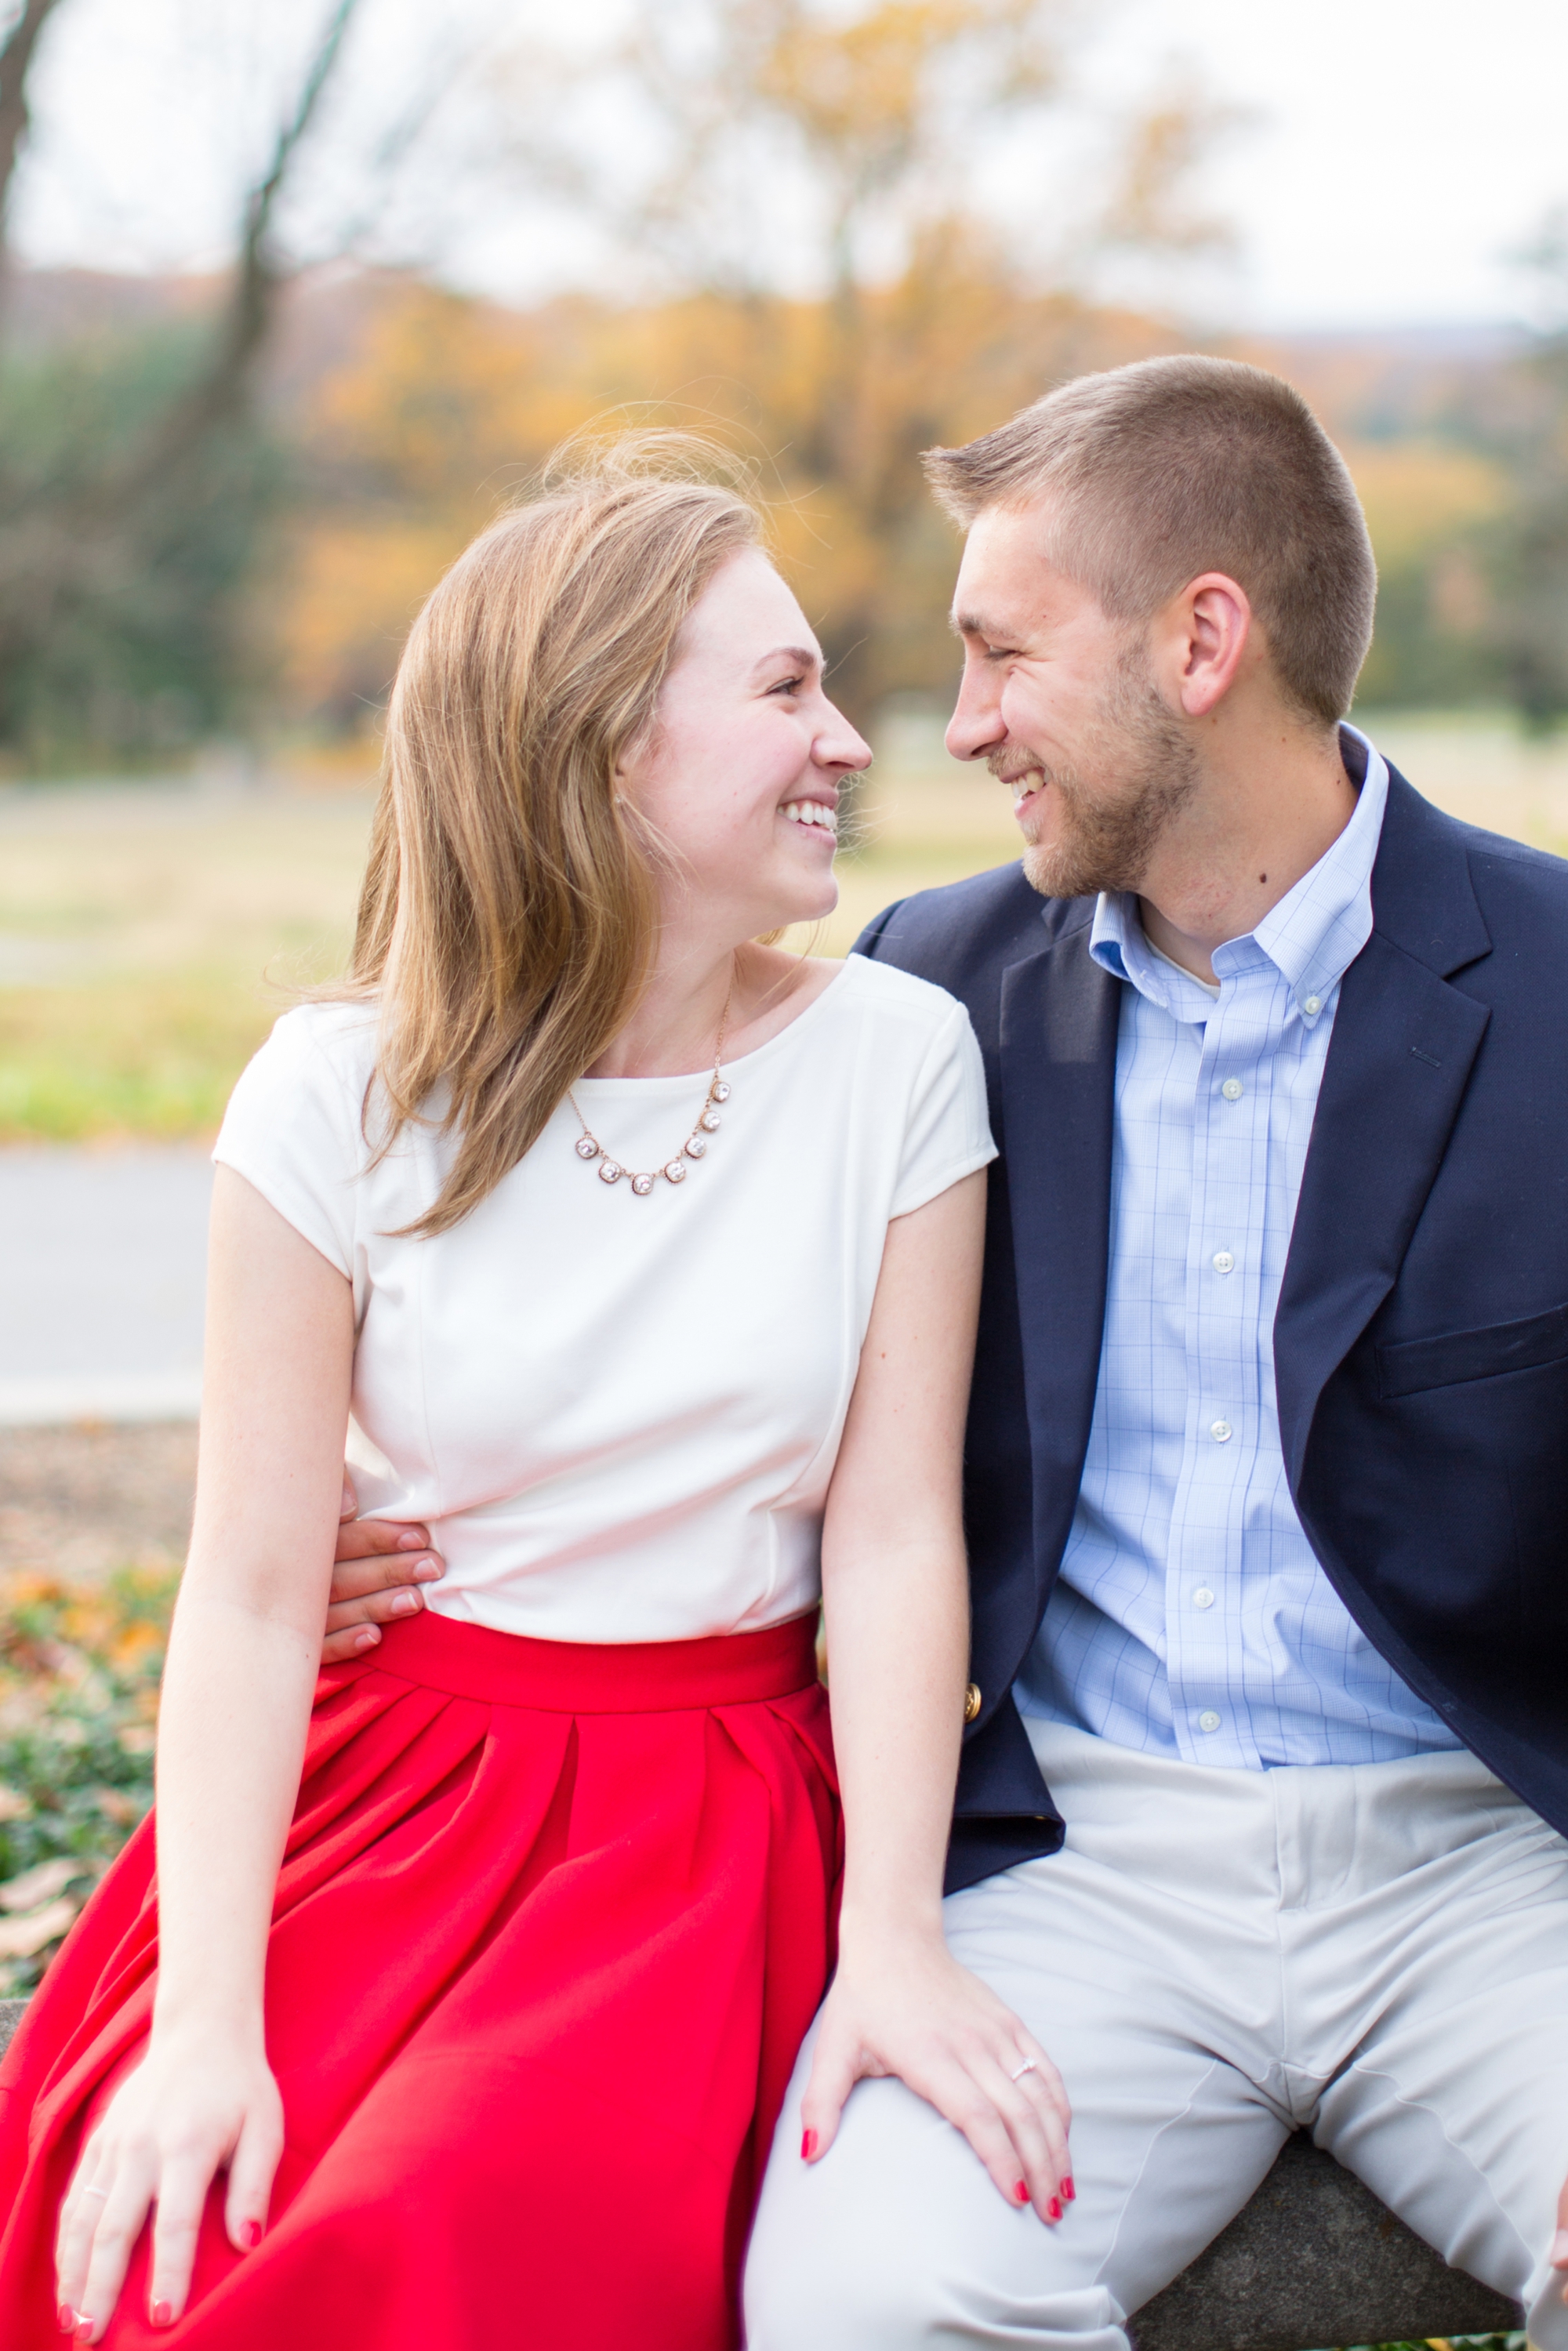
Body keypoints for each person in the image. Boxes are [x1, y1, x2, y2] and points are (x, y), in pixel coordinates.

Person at [0, 437, 1071, 2351]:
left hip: (700, 1826)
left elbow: (894, 1534)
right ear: (599, 755)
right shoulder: (333, 1099)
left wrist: (893, 1940)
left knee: (457, 2226)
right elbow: (250, 1592)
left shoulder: (897, 1062)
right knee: (182, 2222)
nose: (848, 740)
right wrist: (205, 2028)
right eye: (784, 688)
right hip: (388, 1794)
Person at [721, 356, 1568, 2343]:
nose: (961, 727)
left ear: (1202, 641)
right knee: (864, 2301)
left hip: (1491, 1870)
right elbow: (722, 1365)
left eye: (1003, 655)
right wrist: (388, 1535)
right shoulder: (929, 991)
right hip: (1073, 1868)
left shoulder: (1553, 989)